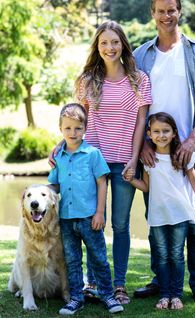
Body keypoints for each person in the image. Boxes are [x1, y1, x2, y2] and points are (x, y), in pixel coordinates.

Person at [50, 20, 152, 304]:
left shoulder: (139, 80)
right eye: (104, 42)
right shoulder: (87, 81)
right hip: (89, 163)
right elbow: (76, 122)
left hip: (123, 162)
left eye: (115, 42)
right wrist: (62, 144)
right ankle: (93, 283)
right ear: (97, 46)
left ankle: (118, 286)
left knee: (120, 225)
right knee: (92, 223)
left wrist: (133, 160)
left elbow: (141, 122)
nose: (110, 47)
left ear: (123, 45)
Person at [133, 0, 195, 304]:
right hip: (155, 156)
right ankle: (163, 279)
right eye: (160, 10)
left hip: (191, 153)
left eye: (172, 9)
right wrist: (142, 145)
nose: (166, 15)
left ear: (179, 11)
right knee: (158, 221)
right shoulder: (141, 55)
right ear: (152, 14)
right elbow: (135, 105)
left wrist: (192, 140)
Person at [125, 112, 195, 310]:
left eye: (165, 131)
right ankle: (164, 295)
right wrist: (132, 180)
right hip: (158, 215)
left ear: (173, 133)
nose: (161, 135)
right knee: (161, 255)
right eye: (156, 131)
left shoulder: (181, 156)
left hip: (179, 214)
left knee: (177, 255)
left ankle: (176, 296)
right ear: (149, 134)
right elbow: (147, 187)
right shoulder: (149, 160)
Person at [48, 103, 124, 315]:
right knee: (72, 260)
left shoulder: (93, 154)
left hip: (90, 217)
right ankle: (76, 298)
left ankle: (108, 296)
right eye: (68, 128)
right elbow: (54, 186)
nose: (73, 133)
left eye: (78, 128)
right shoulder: (59, 157)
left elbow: (102, 183)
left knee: (99, 258)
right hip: (67, 218)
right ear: (61, 129)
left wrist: (99, 212)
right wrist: (38, 192)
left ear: (85, 128)